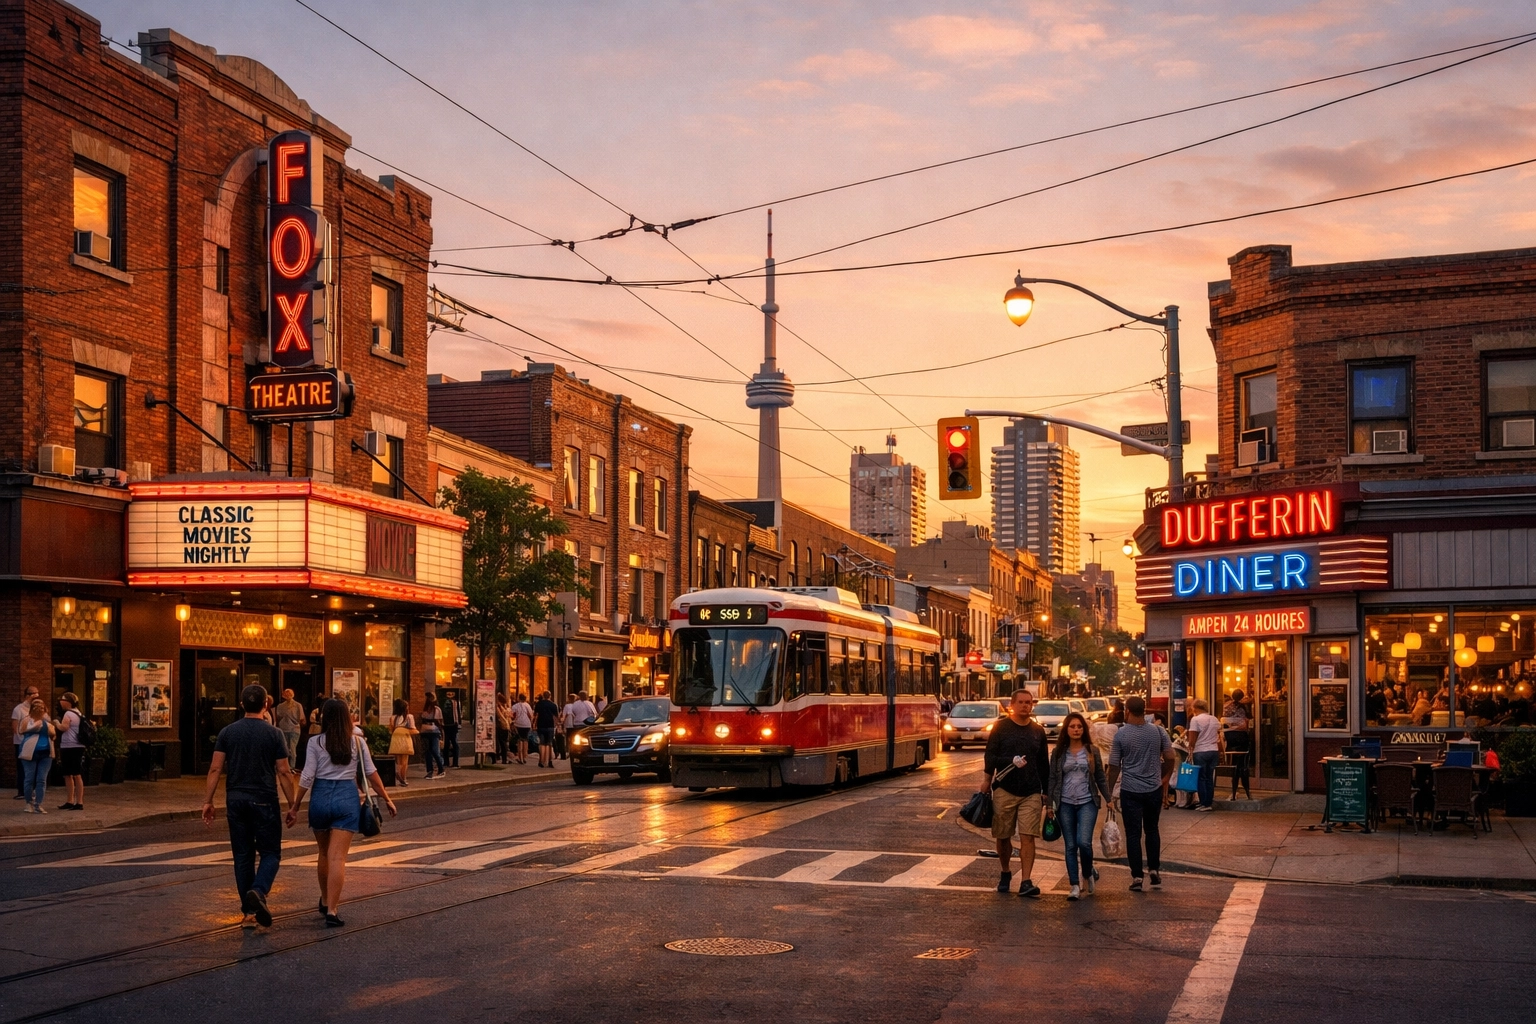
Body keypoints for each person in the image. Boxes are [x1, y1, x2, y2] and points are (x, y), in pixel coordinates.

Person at [285, 698, 397, 928]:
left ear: (324, 718)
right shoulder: (357, 742)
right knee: (338, 857)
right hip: (346, 797)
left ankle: (325, 900)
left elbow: (307, 776)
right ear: (347, 717)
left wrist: (295, 805)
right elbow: (372, 774)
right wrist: (387, 798)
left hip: (320, 797)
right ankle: (333, 911)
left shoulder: (315, 742)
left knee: (324, 854)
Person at [201, 684, 295, 927]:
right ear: (266, 705)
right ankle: (259, 890)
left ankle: (249, 913)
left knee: (242, 856)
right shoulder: (275, 734)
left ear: (242, 704)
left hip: (236, 799)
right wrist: (292, 804)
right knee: (271, 853)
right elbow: (284, 772)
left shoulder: (227, 733)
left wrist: (208, 801)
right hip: (264, 799)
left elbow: (215, 768)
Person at [979, 688, 1052, 898]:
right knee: (1003, 836)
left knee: (1028, 836)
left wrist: (1046, 792)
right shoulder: (1001, 728)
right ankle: (1005, 872)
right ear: (1012, 705)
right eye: (1020, 702)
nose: (1025, 706)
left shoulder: (1038, 731)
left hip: (1031, 791)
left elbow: (1043, 764)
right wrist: (987, 779)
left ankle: (1026, 881)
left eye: (1028, 703)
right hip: (1004, 788)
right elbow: (990, 756)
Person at [1108, 695, 1176, 893]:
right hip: (1153, 789)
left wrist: (1109, 791)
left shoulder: (1121, 735)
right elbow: (1170, 756)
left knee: (1133, 834)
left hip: (1130, 790)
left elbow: (1113, 766)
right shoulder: (1158, 731)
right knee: (1152, 829)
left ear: (1127, 711)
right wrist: (1164, 777)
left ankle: (1137, 876)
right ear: (1145, 711)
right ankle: (1154, 868)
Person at [1049, 711, 1112, 900]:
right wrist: (1049, 805)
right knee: (1070, 845)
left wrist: (1108, 798)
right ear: (1066, 730)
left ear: (1083, 730)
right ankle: (1074, 885)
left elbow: (1100, 776)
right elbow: (1052, 778)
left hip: (1087, 801)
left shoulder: (1092, 751)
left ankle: (1087, 873)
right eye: (1072, 727)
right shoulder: (1058, 753)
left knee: (1084, 842)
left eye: (1079, 727)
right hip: (1064, 803)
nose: (1076, 730)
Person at [17, 699, 54, 814]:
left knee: (41, 779)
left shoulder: (47, 722)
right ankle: (29, 803)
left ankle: (38, 804)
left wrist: (51, 732)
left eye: (42, 708)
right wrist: (33, 728)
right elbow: (20, 731)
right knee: (29, 778)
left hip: (46, 753)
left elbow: (53, 736)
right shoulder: (26, 720)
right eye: (37, 708)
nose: (40, 710)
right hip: (29, 752)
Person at [1186, 699, 1224, 811]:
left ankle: (1204, 803)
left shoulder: (1195, 719)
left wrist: (1190, 748)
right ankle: (1208, 802)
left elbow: (1192, 736)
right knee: (1209, 777)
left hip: (1200, 751)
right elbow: (1218, 735)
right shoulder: (1214, 719)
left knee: (1201, 778)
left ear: (1195, 708)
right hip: (1213, 751)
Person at [56, 692, 86, 811]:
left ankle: (73, 801)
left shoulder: (68, 713)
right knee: (74, 774)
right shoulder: (79, 712)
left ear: (68, 702)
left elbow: (64, 727)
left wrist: (56, 722)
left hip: (69, 746)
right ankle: (76, 801)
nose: (60, 702)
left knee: (70, 774)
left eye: (62, 699)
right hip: (79, 746)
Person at [1222, 691, 1252, 800]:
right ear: (1242, 696)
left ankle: (1234, 790)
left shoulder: (1226, 706)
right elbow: (1249, 718)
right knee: (1243, 765)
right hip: (1242, 738)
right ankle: (1245, 788)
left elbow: (1225, 722)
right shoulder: (1244, 706)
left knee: (1233, 764)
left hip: (1230, 739)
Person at [13, 684, 39, 801]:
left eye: (37, 693)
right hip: (21, 742)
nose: (35, 696)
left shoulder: (37, 709)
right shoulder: (19, 709)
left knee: (34, 766)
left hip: (35, 742)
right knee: (22, 767)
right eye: (32, 694)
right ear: (26, 695)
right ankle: (22, 791)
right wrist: (22, 739)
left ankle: (32, 789)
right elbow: (15, 727)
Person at [388, 699, 416, 787]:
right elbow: (412, 729)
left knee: (398, 760)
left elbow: (391, 730)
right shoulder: (409, 717)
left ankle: (397, 772)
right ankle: (403, 778)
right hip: (405, 738)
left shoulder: (393, 717)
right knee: (405, 761)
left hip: (395, 739)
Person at [273, 689, 305, 764]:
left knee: (286, 748)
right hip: (293, 729)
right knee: (292, 748)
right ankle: (291, 765)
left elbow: (278, 717)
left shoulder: (281, 706)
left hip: (286, 728)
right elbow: (301, 718)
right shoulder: (297, 705)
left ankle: (288, 765)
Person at [418, 693, 445, 779]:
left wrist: (441, 733)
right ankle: (430, 771)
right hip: (426, 732)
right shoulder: (424, 710)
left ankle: (441, 769)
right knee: (428, 752)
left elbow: (440, 722)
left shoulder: (437, 709)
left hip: (434, 732)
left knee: (434, 750)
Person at [533, 691, 559, 769]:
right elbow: (556, 717)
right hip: (550, 726)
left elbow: (535, 715)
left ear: (543, 696)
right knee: (549, 744)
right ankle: (549, 761)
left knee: (542, 744)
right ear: (550, 696)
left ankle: (541, 761)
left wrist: (534, 724)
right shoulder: (553, 705)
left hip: (541, 725)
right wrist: (556, 725)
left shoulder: (539, 704)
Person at [510, 692, 533, 765]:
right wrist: (531, 723)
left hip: (518, 724)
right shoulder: (528, 705)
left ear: (518, 698)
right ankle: (525, 756)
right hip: (527, 724)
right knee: (525, 740)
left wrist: (513, 722)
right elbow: (531, 716)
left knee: (519, 740)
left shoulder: (515, 706)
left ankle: (520, 757)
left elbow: (511, 715)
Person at [441, 690, 461, 769]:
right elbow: (457, 714)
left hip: (446, 725)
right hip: (453, 725)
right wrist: (458, 723)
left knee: (447, 744)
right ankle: (455, 763)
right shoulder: (456, 702)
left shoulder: (444, 702)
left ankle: (446, 762)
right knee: (454, 744)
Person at [494, 693, 512, 765]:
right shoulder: (504, 707)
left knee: (502, 743)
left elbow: (500, 717)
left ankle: (502, 758)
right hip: (504, 726)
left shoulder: (499, 707)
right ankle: (503, 758)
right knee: (503, 743)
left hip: (501, 726)